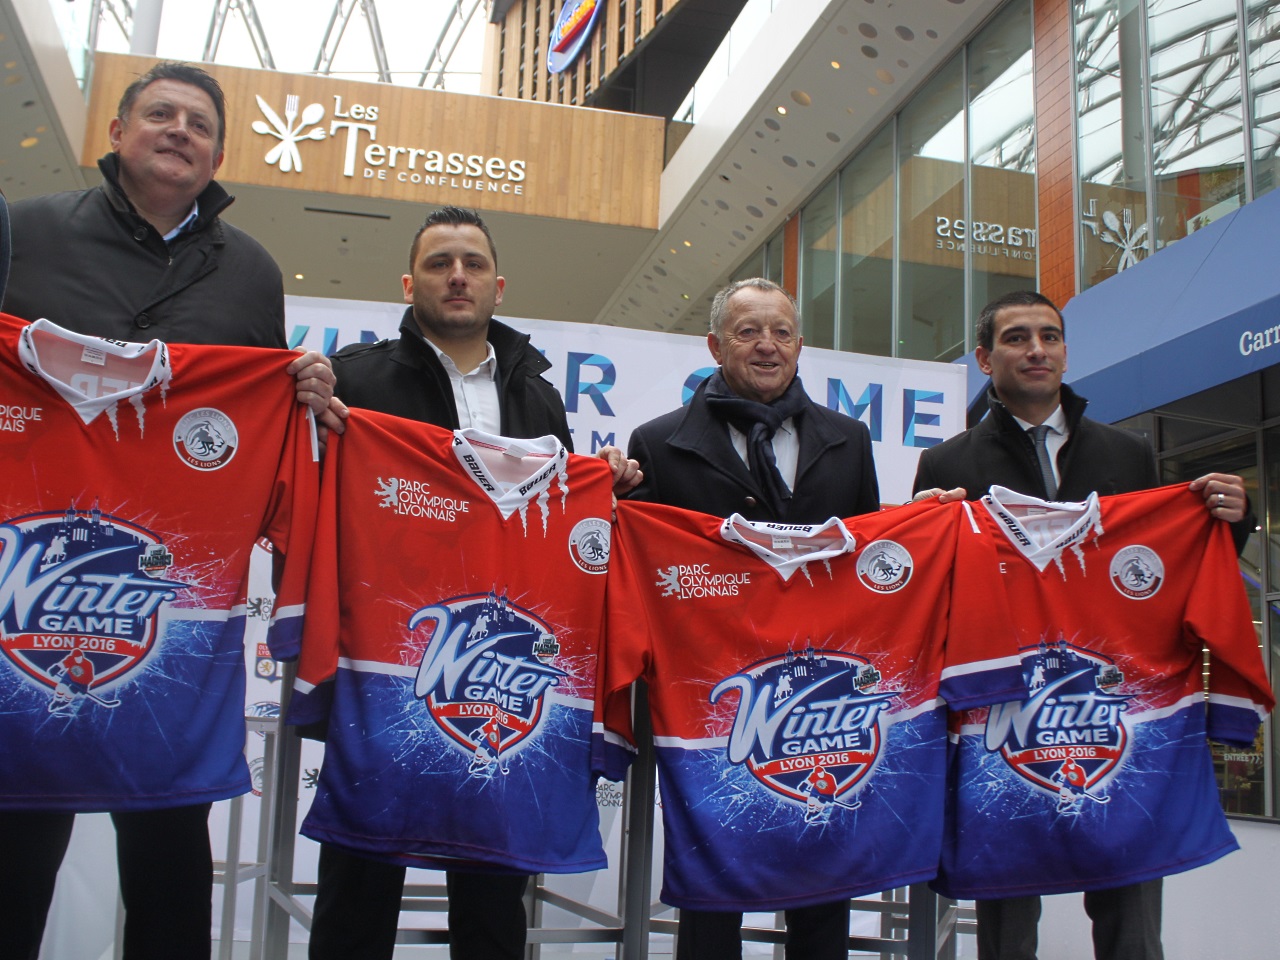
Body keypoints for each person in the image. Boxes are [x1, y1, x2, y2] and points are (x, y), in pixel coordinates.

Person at [0, 61, 334, 960]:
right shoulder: (20, 232)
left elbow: (258, 421)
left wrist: (295, 387)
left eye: (197, 122)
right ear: (116, 132)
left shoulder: (251, 270)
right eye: (159, 114)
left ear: (218, 153)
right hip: (26, 598)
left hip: (169, 609)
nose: (178, 130)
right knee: (14, 845)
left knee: (171, 856)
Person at [307, 205, 638, 960]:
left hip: (502, 673)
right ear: (408, 282)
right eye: (439, 263)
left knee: (493, 887)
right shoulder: (356, 381)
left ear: (498, 285)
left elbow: (557, 527)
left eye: (473, 264)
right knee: (360, 878)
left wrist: (601, 482)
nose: (457, 276)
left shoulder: (539, 397)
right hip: (392, 665)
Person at [912, 289, 1248, 960]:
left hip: (1114, 708)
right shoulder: (947, 466)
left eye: (1049, 335)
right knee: (1005, 909)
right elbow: (923, 595)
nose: (1036, 349)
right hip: (1000, 717)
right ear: (984, 357)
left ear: (1065, 350)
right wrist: (920, 526)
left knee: (1128, 893)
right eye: (1016, 338)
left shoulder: (1128, 455)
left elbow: (1165, 566)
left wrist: (1231, 525)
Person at [626, 277, 880, 960]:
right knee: (712, 889)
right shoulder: (655, 444)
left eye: (782, 332)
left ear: (800, 345)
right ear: (715, 344)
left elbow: (868, 569)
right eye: (748, 332)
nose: (767, 346)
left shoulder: (849, 440)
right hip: (712, 709)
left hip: (820, 701)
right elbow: (643, 579)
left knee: (824, 877)